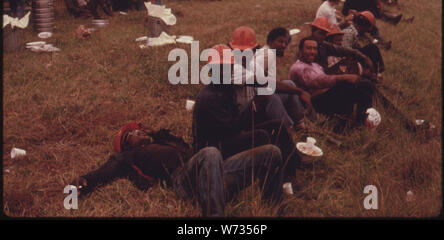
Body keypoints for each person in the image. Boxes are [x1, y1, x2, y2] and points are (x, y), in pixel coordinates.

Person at [69, 121, 283, 217]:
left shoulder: (164, 141)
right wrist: (84, 181)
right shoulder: (128, 156)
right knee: (210, 153)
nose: (137, 132)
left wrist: (156, 133)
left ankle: (273, 208)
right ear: (126, 145)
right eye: (131, 134)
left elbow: (186, 145)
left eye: (138, 129)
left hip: (214, 175)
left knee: (271, 152)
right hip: (184, 181)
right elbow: (107, 169)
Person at [194, 44, 301, 181]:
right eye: (220, 69)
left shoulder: (227, 88)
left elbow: (238, 120)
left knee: (276, 126)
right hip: (214, 147)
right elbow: (232, 128)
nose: (224, 72)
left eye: (228, 68)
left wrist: (258, 108)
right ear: (211, 70)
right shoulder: (209, 97)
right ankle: (269, 178)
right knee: (261, 136)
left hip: (228, 135)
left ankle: (293, 168)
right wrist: (255, 105)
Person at [290, 37, 377, 128]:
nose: (312, 52)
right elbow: (317, 81)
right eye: (308, 48)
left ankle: (361, 120)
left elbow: (325, 77)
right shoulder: (298, 67)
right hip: (314, 102)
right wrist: (343, 77)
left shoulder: (315, 65)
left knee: (364, 85)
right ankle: (351, 124)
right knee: (346, 86)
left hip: (325, 96)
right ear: (300, 50)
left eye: (315, 49)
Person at [308, 17, 374, 76]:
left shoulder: (324, 45)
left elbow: (344, 50)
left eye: (324, 34)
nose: (322, 36)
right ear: (312, 32)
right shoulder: (306, 46)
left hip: (325, 76)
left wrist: (364, 58)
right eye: (320, 33)